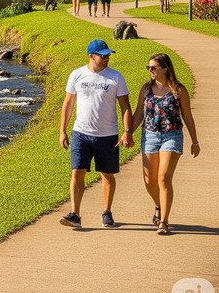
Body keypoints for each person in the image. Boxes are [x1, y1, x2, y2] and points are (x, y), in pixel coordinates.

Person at [59, 39, 133, 229]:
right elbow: (68, 104)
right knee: (77, 172)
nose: (107, 58)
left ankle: (107, 212)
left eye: (108, 55)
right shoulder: (77, 75)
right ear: (91, 56)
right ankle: (75, 214)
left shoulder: (115, 77)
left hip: (108, 135)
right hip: (81, 133)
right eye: (103, 55)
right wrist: (62, 131)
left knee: (107, 175)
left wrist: (127, 131)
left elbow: (125, 106)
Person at [138, 53, 200, 234]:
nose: (150, 70)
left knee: (163, 177)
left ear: (165, 68)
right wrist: (127, 133)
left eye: (154, 67)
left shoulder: (178, 90)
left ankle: (163, 221)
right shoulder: (146, 89)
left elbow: (187, 116)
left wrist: (195, 141)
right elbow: (138, 115)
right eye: (148, 67)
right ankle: (158, 204)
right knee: (149, 181)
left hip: (171, 136)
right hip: (149, 136)